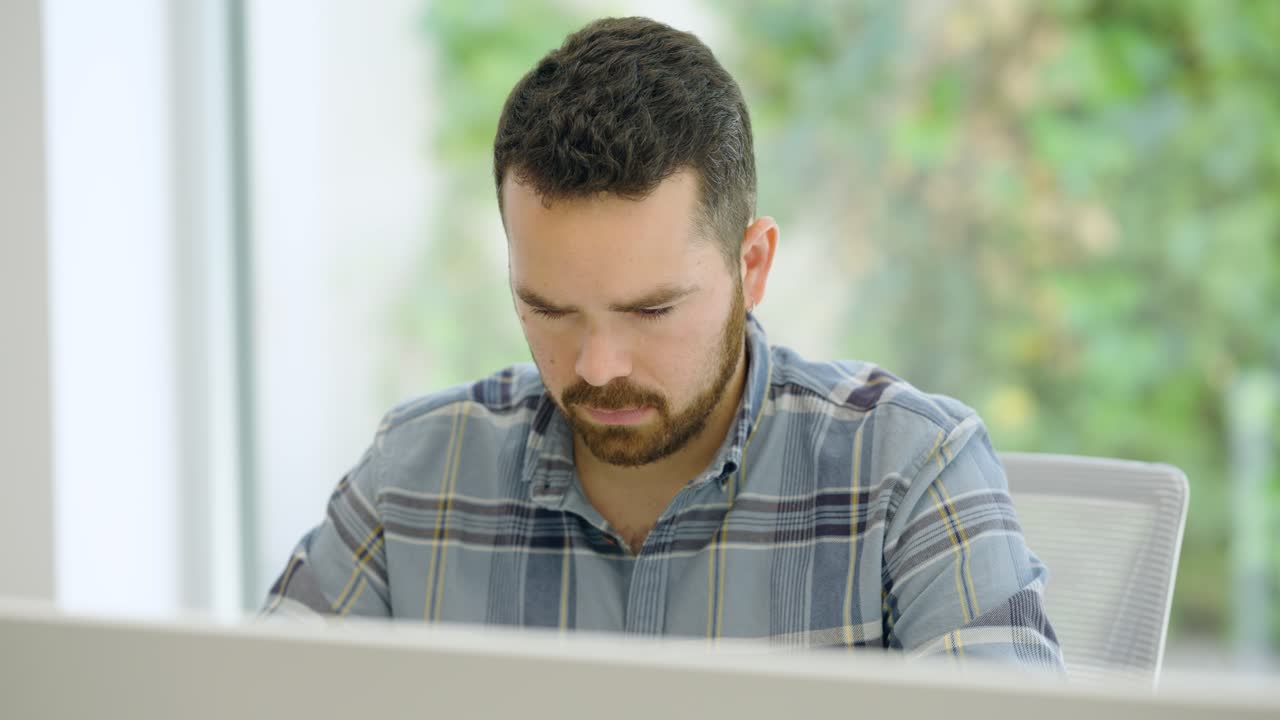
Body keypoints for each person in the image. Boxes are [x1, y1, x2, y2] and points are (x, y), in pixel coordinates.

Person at [264, 16, 1062, 669]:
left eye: (650, 312)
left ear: (753, 264)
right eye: (549, 308)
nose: (596, 367)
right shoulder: (414, 478)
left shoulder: (909, 469)